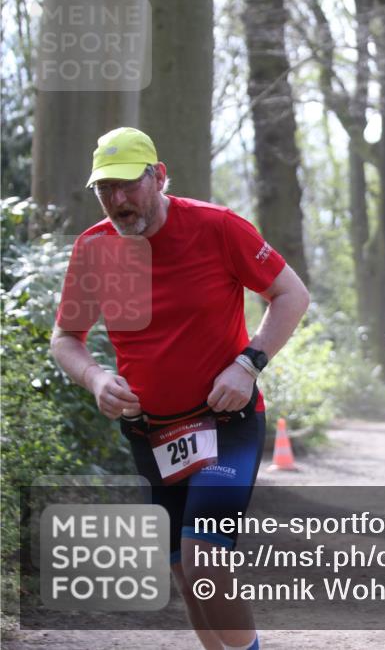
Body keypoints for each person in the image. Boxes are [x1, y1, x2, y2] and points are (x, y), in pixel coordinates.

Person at [50, 127, 309, 650]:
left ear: (159, 176)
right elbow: (66, 340)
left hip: (224, 423)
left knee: (203, 557)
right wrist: (96, 377)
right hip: (150, 436)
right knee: (185, 574)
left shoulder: (217, 227)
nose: (119, 200)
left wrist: (248, 364)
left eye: (129, 185)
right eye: (106, 189)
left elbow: (291, 294)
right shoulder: (95, 248)